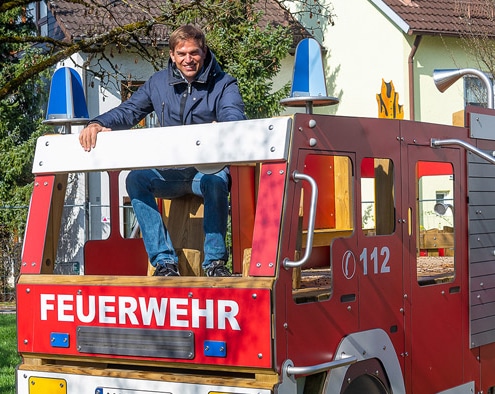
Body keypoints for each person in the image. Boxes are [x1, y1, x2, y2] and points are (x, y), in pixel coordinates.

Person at [79, 25, 246, 277]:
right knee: (136, 179)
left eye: (194, 53)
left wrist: (225, 126)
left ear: (204, 52)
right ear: (172, 55)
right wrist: (98, 122)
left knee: (216, 181)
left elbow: (233, 115)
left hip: (204, 172)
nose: (188, 59)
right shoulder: (158, 83)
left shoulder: (223, 84)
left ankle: (214, 263)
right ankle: (164, 261)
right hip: (170, 172)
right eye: (181, 53)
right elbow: (130, 111)